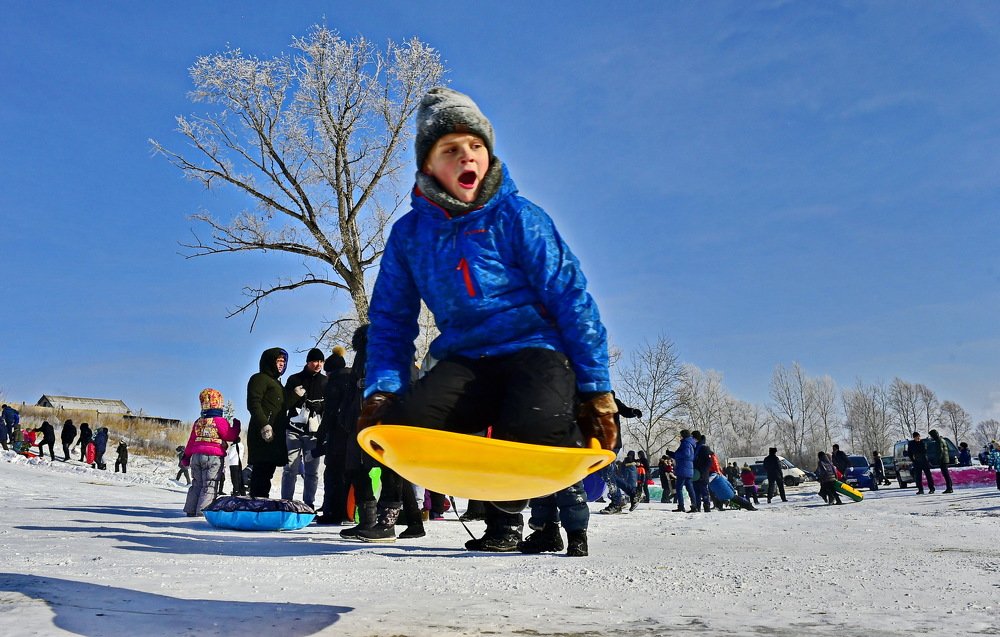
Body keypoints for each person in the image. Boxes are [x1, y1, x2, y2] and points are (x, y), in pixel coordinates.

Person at [357, 87, 614, 556]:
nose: (466, 156)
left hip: (534, 350)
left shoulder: (519, 217)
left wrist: (596, 390)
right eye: (450, 149)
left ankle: (557, 426)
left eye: (475, 146)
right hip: (467, 360)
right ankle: (502, 462)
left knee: (534, 429)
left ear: (488, 154)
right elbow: (391, 320)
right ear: (428, 164)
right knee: (406, 426)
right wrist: (382, 392)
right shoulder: (410, 235)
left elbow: (571, 298)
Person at [280, 348, 327, 508]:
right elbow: (284, 404)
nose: (318, 364)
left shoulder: (325, 382)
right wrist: (295, 396)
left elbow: (330, 406)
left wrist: (320, 407)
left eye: (321, 361)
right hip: (293, 430)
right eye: (315, 361)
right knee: (290, 468)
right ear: (308, 362)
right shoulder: (294, 379)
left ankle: (309, 504)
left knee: (312, 472)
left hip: (313, 433)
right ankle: (286, 502)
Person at [182, 388, 240, 516]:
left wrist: (186, 457)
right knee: (210, 484)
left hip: (196, 456)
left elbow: (191, 441)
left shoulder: (198, 422)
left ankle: (190, 510)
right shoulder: (219, 421)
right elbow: (229, 435)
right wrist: (236, 426)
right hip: (213, 457)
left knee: (197, 484)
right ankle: (203, 511)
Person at [316, 346, 352, 524]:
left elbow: (329, 414)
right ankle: (347, 512)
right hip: (353, 436)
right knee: (348, 475)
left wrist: (320, 437)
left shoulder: (334, 383)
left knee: (332, 474)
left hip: (337, 437)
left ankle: (332, 512)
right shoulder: (354, 379)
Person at [246, 347, 288, 498]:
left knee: (268, 470)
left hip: (275, 433)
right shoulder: (259, 378)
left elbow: (281, 406)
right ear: (269, 361)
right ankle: (257, 500)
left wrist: (295, 396)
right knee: (261, 470)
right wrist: (264, 424)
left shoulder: (277, 383)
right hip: (262, 433)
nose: (282, 364)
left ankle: (261, 500)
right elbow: (253, 403)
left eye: (284, 361)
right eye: (278, 360)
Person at [672, 429, 697, 512]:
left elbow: (686, 454)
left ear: (684, 435)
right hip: (688, 468)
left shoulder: (685, 443)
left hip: (683, 468)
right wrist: (672, 454)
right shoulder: (690, 443)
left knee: (678, 488)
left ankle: (681, 506)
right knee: (690, 488)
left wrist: (676, 454)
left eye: (681, 435)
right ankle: (694, 505)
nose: (680, 437)